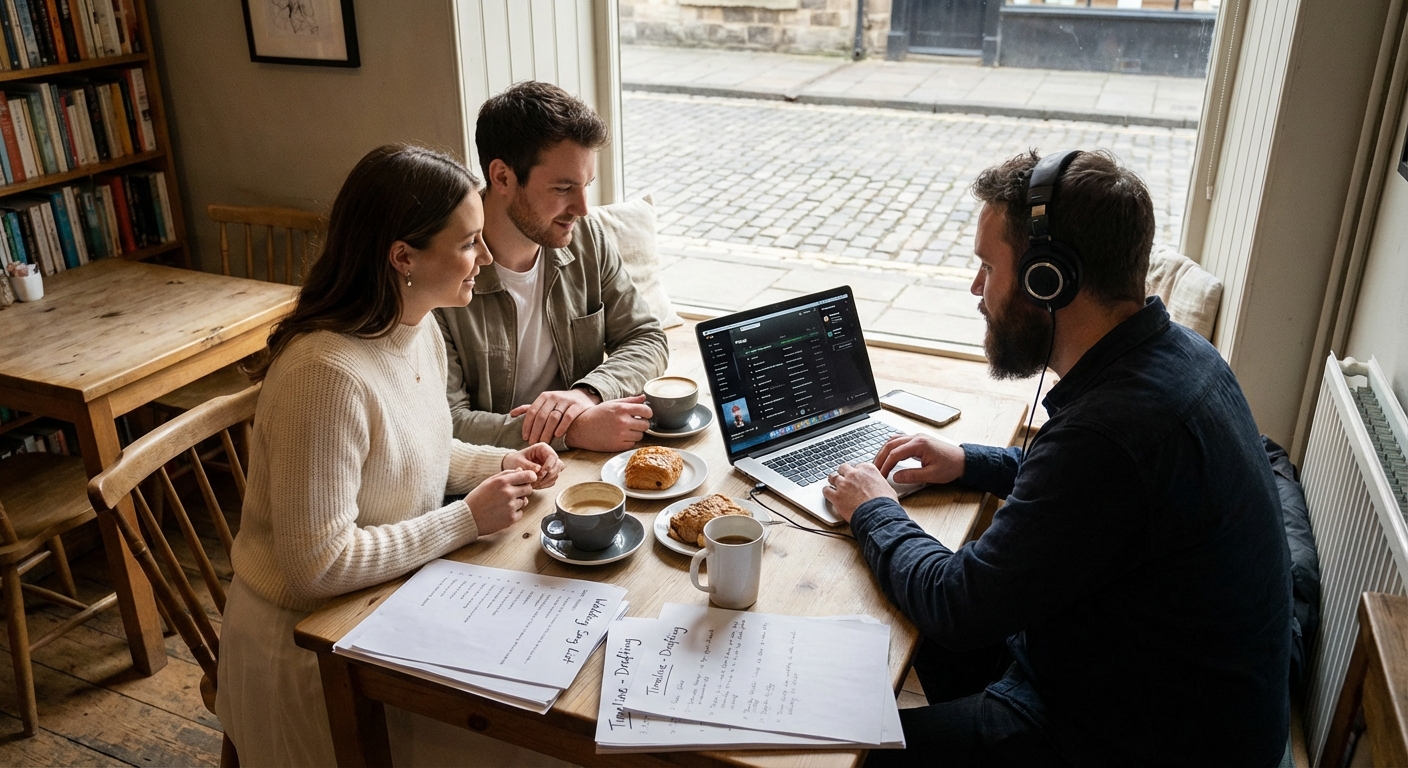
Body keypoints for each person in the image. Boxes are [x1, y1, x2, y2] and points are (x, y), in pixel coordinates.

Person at [823, 150, 1292, 766]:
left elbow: (960, 606)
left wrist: (874, 509)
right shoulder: (1180, 357)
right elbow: (1099, 499)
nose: (976, 288)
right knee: (901, 609)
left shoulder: (1110, 432)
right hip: (1147, 688)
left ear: (1049, 279)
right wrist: (970, 460)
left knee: (833, 755)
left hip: (1125, 737)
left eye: (988, 267)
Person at [216, 144, 565, 767]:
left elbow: (414, 452)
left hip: (390, 603)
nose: (484, 258)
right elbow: (316, 566)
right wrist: (465, 519)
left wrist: (500, 468)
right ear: (402, 256)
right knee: (527, 743)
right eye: (469, 243)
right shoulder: (323, 375)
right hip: (307, 651)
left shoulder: (416, 323)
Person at [437, 81, 669, 453]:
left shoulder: (586, 236)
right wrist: (570, 430)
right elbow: (445, 423)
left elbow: (646, 338)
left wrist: (588, 394)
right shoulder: (442, 269)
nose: (582, 208)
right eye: (563, 189)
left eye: (586, 185)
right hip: (495, 476)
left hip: (583, 457)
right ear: (502, 177)